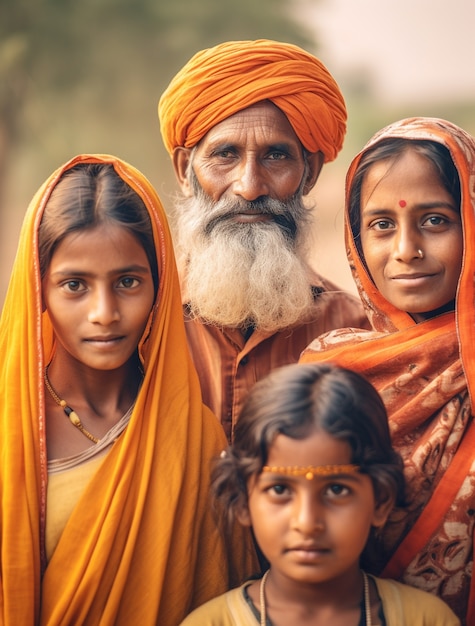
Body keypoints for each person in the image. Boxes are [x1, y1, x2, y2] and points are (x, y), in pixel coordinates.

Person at [0, 154, 257, 625]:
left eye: (127, 282)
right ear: (39, 290)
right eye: (74, 285)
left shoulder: (193, 436)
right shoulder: (8, 428)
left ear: (160, 286)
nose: (104, 312)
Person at [300, 117, 475, 623]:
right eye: (381, 225)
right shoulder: (331, 368)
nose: (406, 250)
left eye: (436, 220)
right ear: (357, 239)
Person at [158, 39, 370, 441]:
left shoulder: (356, 331)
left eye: (276, 156)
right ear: (186, 171)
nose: (250, 186)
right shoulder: (142, 321)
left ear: (309, 173)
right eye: (225, 155)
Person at [179, 362, 460, 625]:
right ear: (243, 500)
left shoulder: (425, 619)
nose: (307, 522)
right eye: (279, 489)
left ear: (381, 500)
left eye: (336, 489)